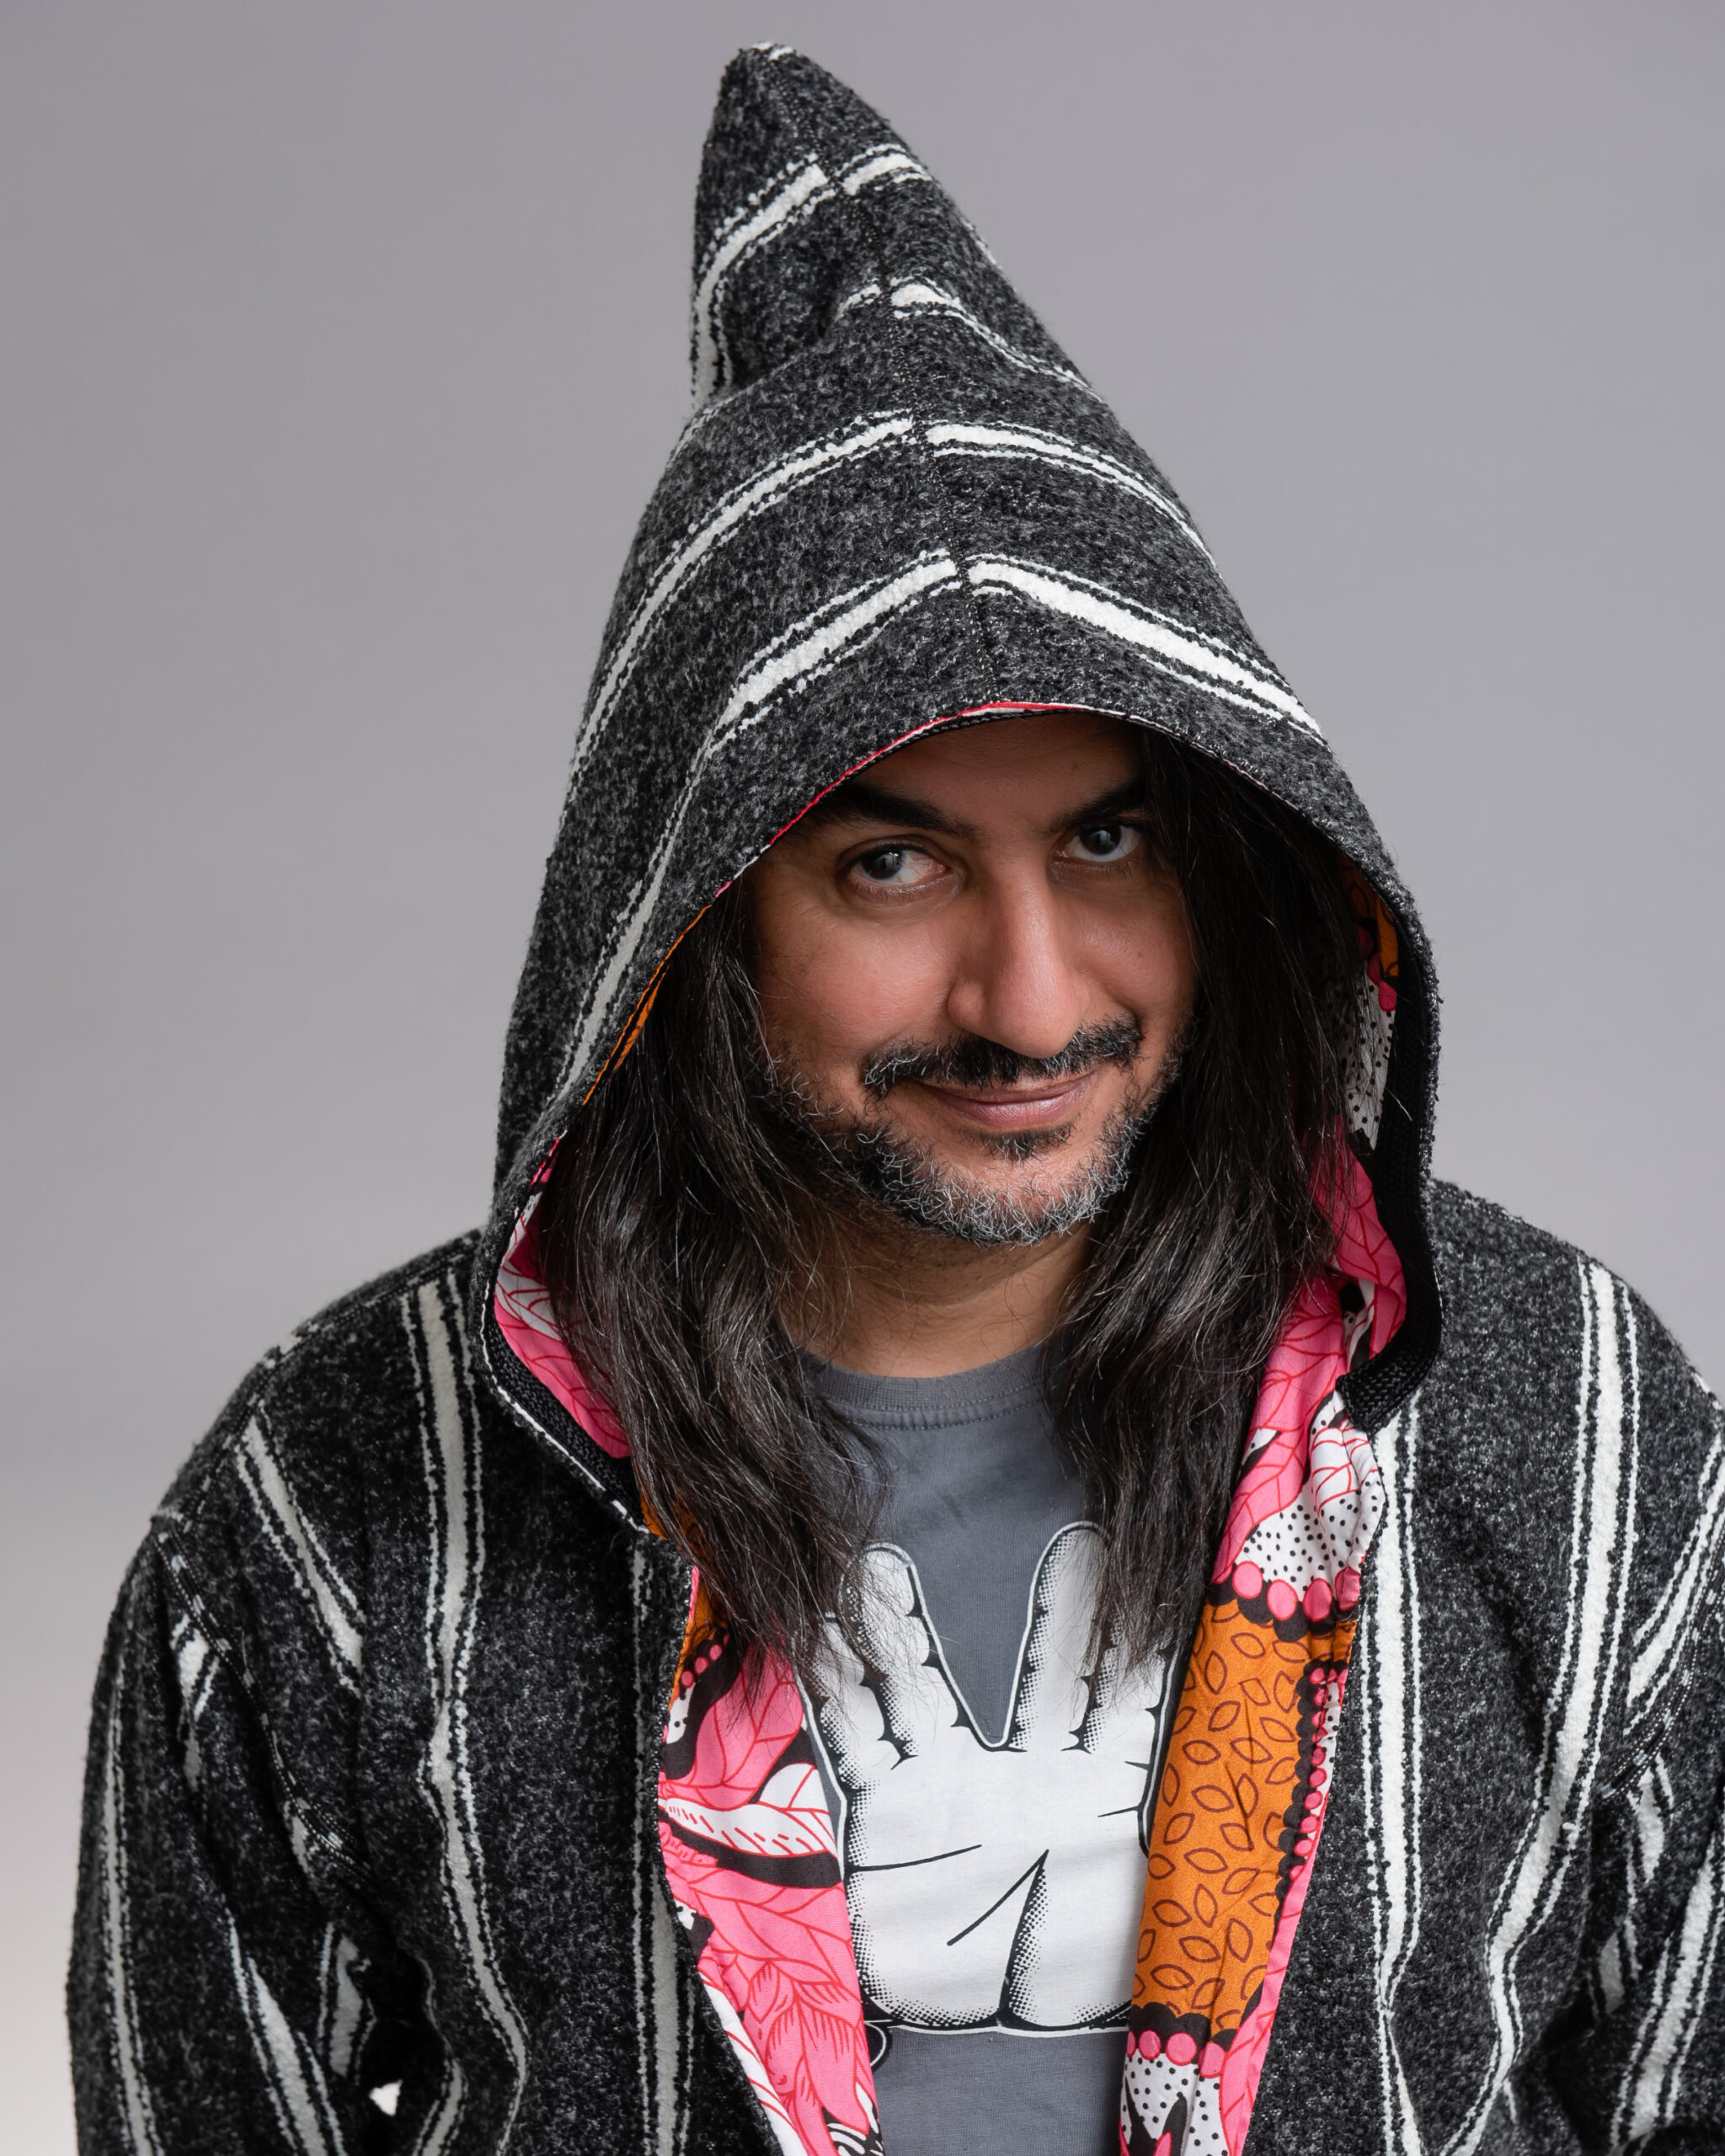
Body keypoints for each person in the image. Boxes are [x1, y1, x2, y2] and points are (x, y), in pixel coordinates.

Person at [69, 45, 1724, 2156]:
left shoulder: (1562, 1423)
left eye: (1108, 842)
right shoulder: (342, 1491)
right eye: (891, 863)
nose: (1030, 1000)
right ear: (690, 913)